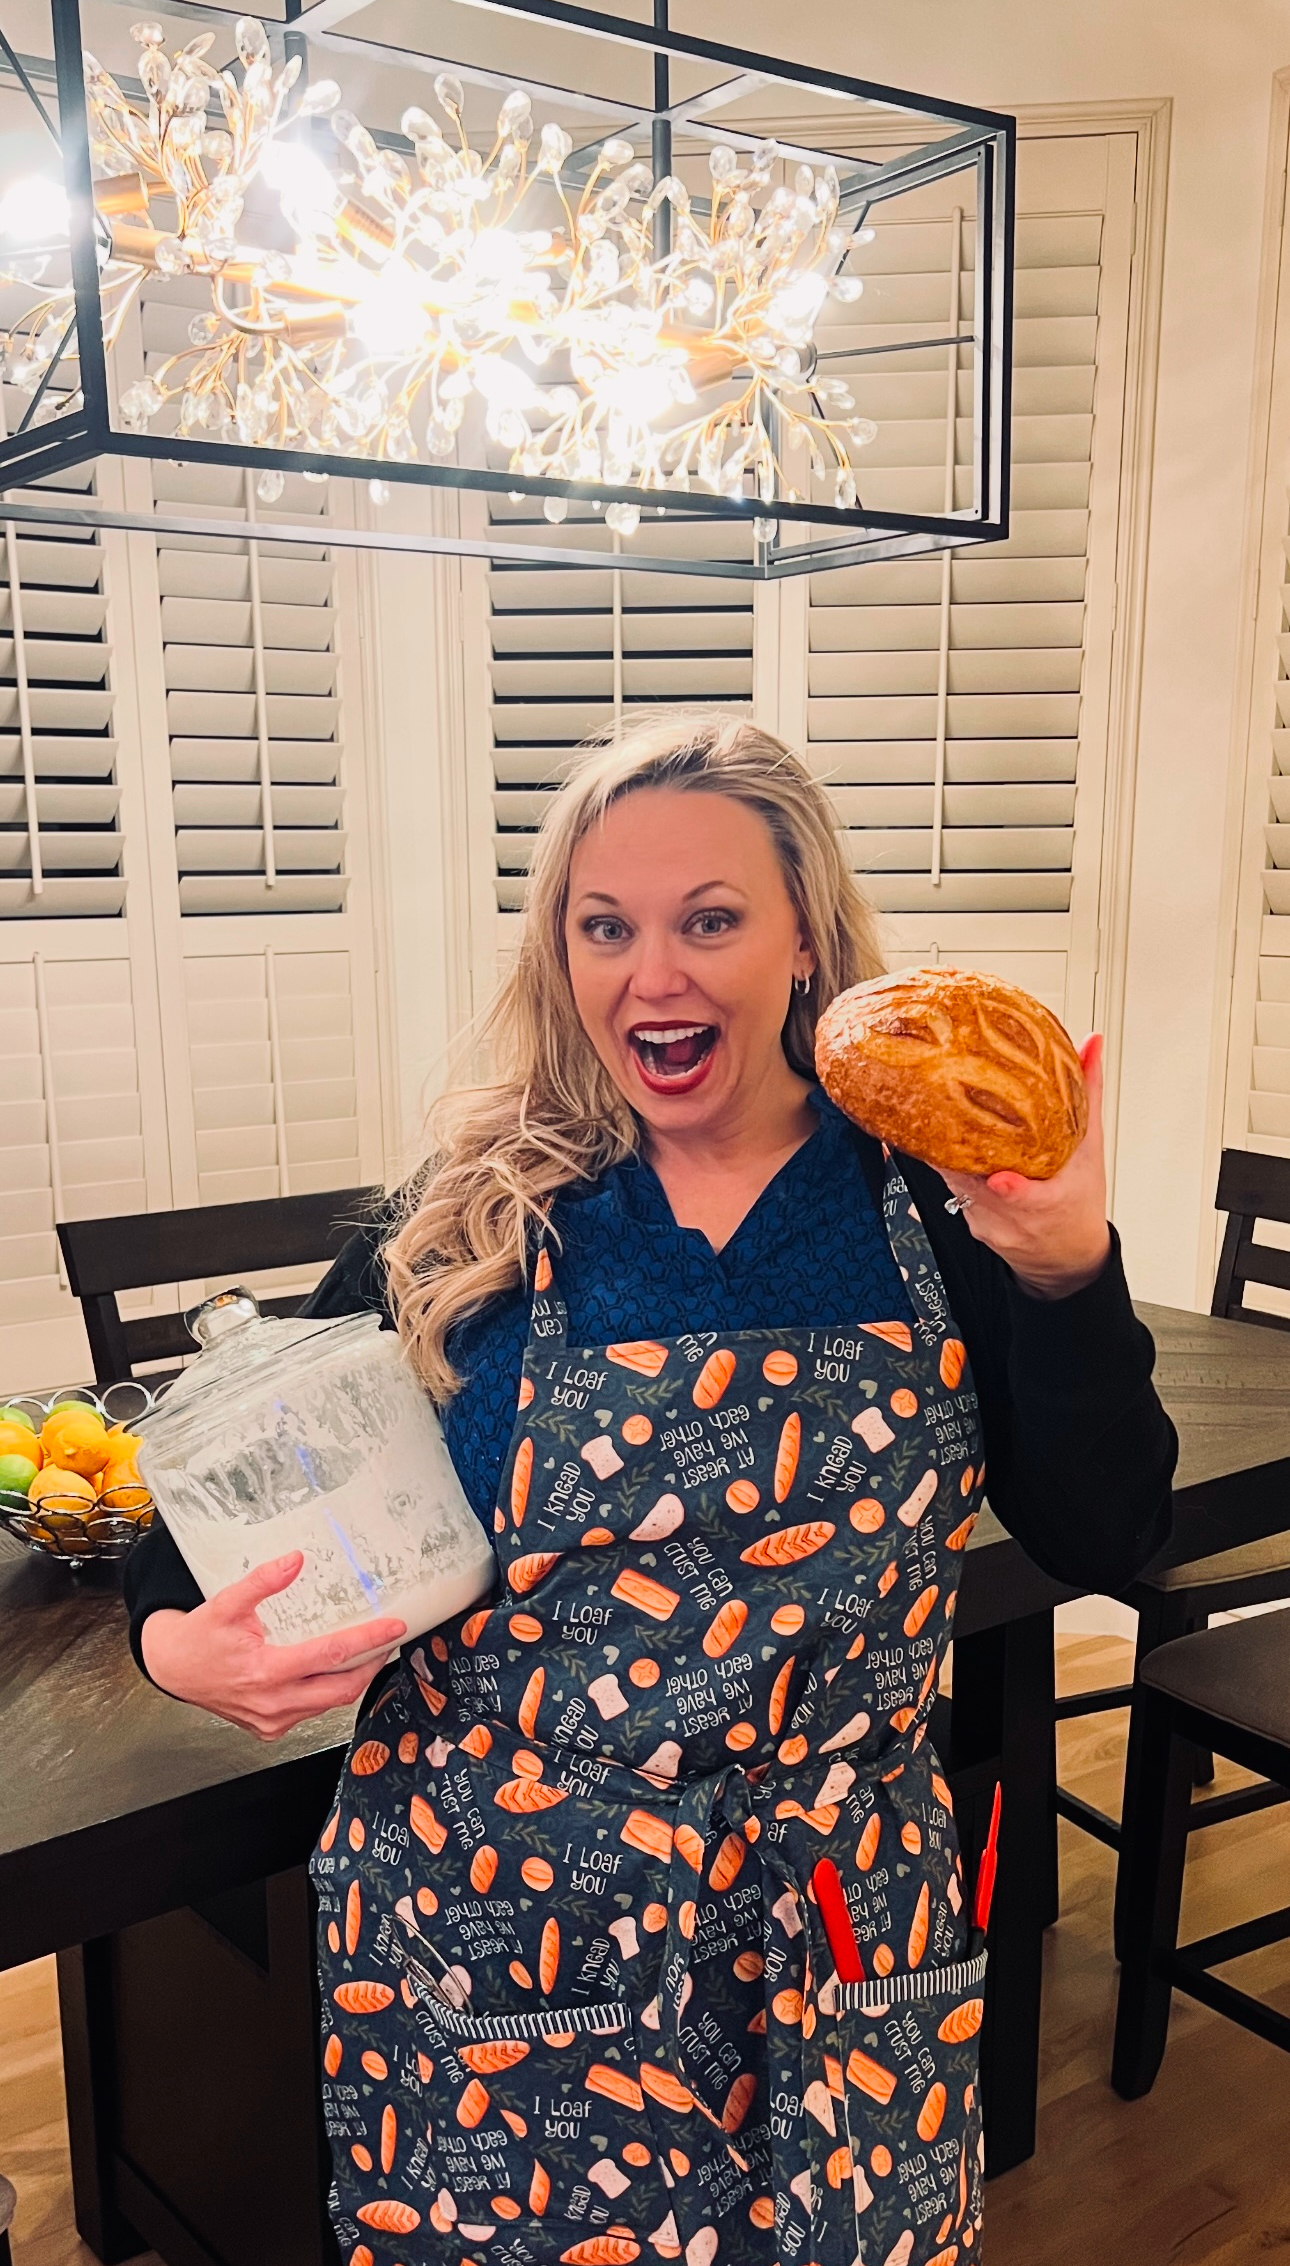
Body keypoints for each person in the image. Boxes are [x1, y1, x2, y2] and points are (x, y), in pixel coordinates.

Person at [125, 712, 1176, 2266]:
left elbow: (1114, 1531)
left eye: (710, 919)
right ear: (561, 951)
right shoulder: (467, 1225)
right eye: (603, 926)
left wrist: (1066, 1266)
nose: (652, 975)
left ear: (803, 937)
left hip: (839, 1921)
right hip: (508, 1932)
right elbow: (191, 1535)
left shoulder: (944, 1210)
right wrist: (182, 1647)